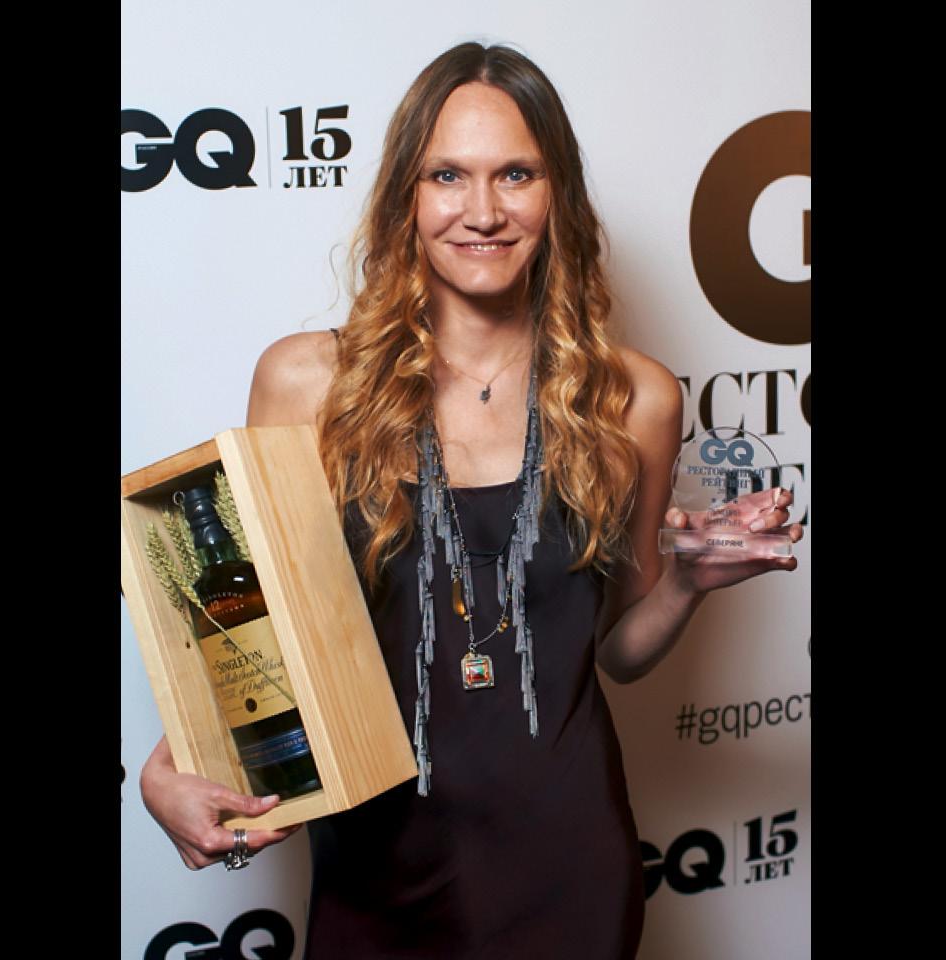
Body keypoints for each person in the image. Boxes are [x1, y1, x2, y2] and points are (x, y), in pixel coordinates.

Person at [140, 41, 803, 959]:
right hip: (374, 872)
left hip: (568, 870)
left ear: (557, 193)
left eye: (516, 174)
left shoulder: (635, 399)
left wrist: (684, 584)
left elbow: (616, 653)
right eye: (447, 175)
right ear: (405, 196)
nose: (483, 211)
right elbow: (246, 633)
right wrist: (168, 767)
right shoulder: (308, 386)